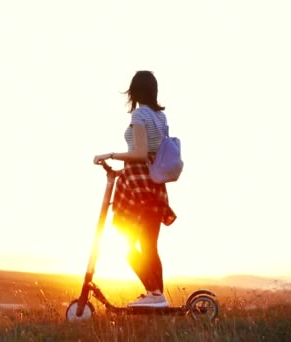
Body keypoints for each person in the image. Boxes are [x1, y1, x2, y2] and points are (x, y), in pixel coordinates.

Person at [93, 70, 177, 308]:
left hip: (139, 185)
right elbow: (152, 153)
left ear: (134, 91)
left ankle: (155, 294)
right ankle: (157, 296)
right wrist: (122, 170)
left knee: (128, 245)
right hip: (154, 182)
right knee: (149, 244)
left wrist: (110, 154)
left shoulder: (140, 115)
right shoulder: (160, 118)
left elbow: (140, 154)